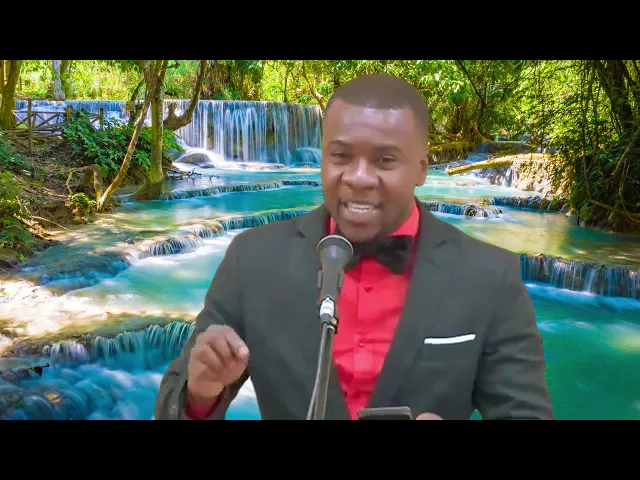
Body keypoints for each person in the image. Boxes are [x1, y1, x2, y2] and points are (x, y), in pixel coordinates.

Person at [154, 73, 554, 420]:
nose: (358, 178)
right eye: (341, 156)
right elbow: (175, 404)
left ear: (421, 168)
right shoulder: (252, 261)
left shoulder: (491, 277)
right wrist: (201, 393)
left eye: (385, 160)